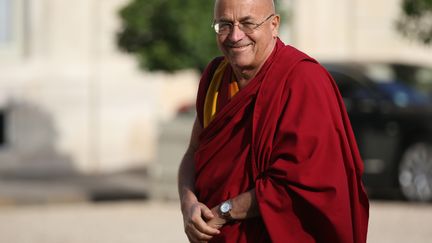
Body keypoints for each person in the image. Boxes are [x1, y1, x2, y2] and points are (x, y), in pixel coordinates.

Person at [177, 0, 369, 242]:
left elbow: (301, 183)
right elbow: (193, 151)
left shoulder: (304, 80)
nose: (235, 36)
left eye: (248, 23)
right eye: (224, 25)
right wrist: (188, 202)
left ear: (274, 24)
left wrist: (224, 211)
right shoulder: (216, 78)